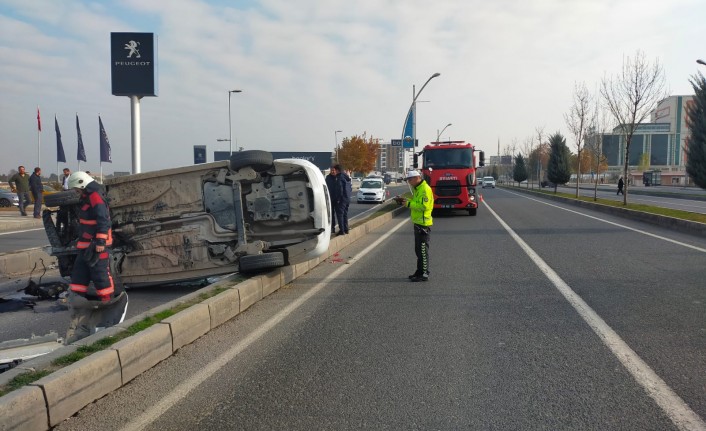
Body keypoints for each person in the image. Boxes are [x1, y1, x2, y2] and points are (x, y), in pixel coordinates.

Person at [64, 171, 127, 344]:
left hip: (96, 244)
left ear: (82, 184)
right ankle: (78, 303)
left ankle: (107, 303)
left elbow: (103, 219)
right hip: (86, 244)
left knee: (100, 275)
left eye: (77, 189)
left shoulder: (95, 196)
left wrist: (100, 240)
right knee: (79, 274)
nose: (76, 192)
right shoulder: (88, 194)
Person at [394, 170, 434, 282]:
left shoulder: (425, 189)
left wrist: (408, 204)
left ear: (417, 178)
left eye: (410, 180)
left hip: (423, 224)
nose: (409, 182)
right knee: (418, 250)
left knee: (422, 250)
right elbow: (416, 201)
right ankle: (419, 271)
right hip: (418, 223)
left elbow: (423, 206)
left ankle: (424, 273)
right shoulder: (418, 188)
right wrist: (405, 200)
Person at [325, 165, 344, 235]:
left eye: (334, 170)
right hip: (330, 199)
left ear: (336, 171)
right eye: (331, 170)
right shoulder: (328, 178)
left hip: (338, 200)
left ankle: (341, 229)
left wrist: (340, 198)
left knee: (339, 215)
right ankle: (332, 228)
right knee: (331, 215)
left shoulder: (339, 177)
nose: (333, 171)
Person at [336, 164, 352, 235]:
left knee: (340, 214)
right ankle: (346, 229)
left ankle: (342, 230)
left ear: (337, 170)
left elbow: (340, 189)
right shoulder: (346, 177)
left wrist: (338, 199)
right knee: (345, 214)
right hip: (347, 198)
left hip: (342, 199)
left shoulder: (340, 177)